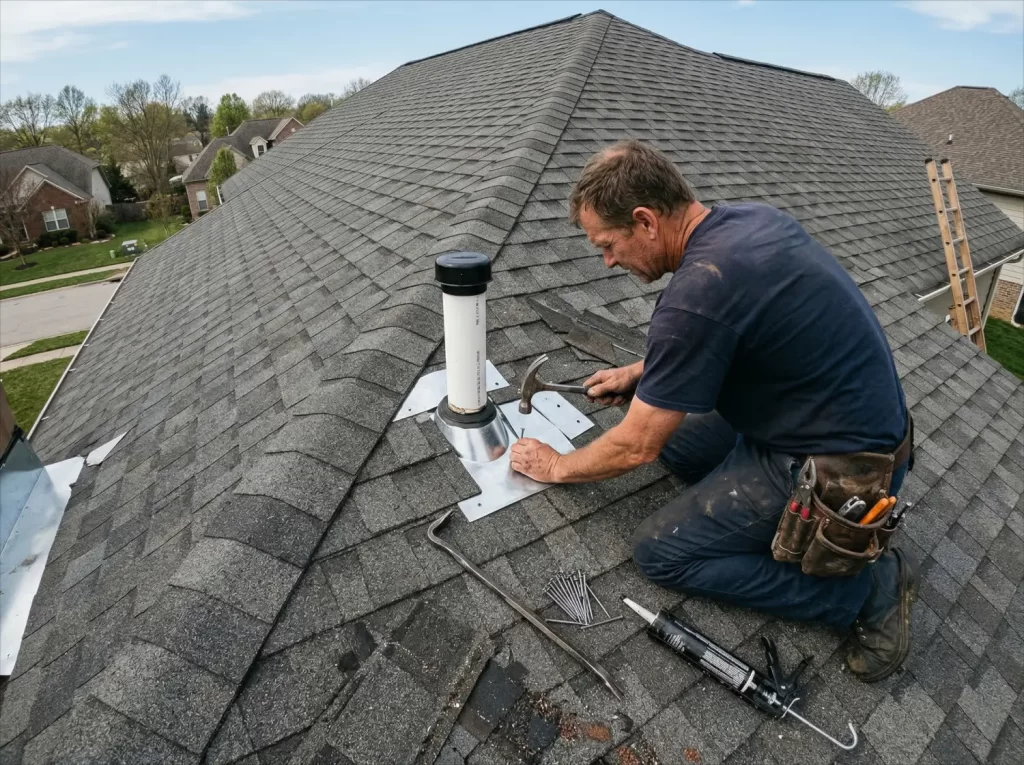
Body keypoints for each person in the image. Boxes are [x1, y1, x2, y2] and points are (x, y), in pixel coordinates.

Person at [509, 139, 917, 682]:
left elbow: (636, 445)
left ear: (645, 221)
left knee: (660, 554)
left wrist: (556, 466)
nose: (606, 260)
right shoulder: (744, 222)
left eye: (607, 244)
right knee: (677, 438)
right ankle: (759, 517)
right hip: (818, 414)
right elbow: (731, 329)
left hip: (842, 470)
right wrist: (641, 374)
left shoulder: (698, 294)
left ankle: (866, 592)